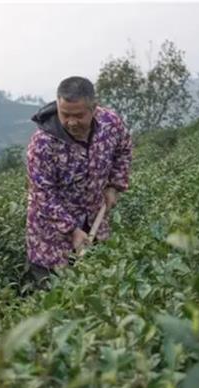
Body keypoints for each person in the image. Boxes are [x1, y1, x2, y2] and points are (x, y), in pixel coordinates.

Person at [25, 76, 132, 285]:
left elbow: (123, 149)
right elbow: (42, 195)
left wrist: (114, 185)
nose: (71, 122)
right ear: (57, 106)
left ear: (93, 108)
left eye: (79, 115)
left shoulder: (110, 123)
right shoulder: (42, 144)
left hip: (95, 225)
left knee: (94, 291)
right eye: (65, 115)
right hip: (51, 240)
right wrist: (71, 230)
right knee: (51, 299)